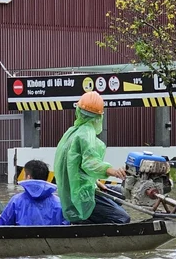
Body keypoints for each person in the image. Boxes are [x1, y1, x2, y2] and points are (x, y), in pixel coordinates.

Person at [54, 92, 129, 224]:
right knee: (122, 218)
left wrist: (96, 182)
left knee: (121, 194)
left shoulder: (70, 133)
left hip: (72, 191)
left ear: (78, 111)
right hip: (83, 193)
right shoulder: (86, 133)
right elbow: (90, 163)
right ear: (100, 116)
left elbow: (74, 166)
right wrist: (114, 171)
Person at [0, 160, 65, 226]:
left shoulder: (16, 201)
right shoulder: (59, 203)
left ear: (28, 177)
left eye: (24, 175)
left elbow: (1, 227)